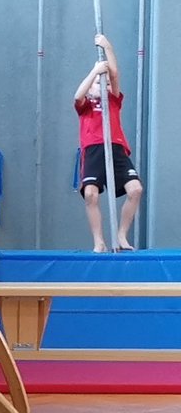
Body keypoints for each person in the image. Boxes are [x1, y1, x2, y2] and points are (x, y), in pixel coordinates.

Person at [74, 32, 143, 252]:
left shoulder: (113, 101)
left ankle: (121, 235)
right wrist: (95, 71)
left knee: (135, 190)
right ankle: (99, 241)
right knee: (91, 194)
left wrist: (108, 48)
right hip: (94, 149)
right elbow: (77, 96)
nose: (99, 84)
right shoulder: (85, 106)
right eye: (96, 82)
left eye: (101, 82)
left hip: (116, 147)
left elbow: (114, 76)